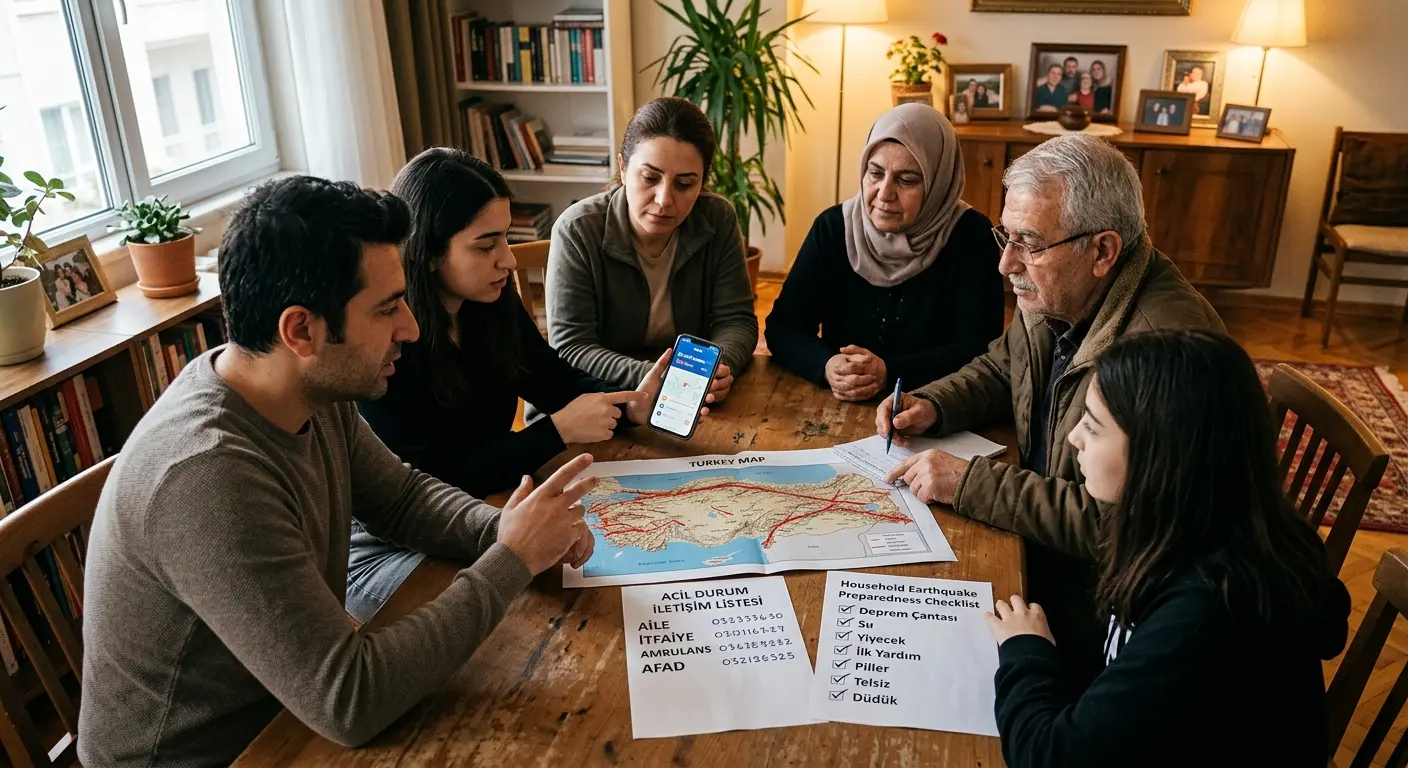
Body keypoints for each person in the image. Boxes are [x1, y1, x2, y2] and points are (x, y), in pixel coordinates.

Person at [78, 175, 599, 765]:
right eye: (387, 308)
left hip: (289, 710)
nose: (412, 327)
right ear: (300, 330)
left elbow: (401, 498)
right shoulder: (207, 477)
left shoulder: (300, 389)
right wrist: (511, 560)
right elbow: (351, 699)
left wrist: (509, 530)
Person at [875, 134, 1225, 686]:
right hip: (1042, 544)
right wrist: (934, 402)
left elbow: (1118, 526)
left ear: (1103, 251)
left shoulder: (1159, 352)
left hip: (1098, 601)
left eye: (1029, 243)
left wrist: (970, 484)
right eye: (1005, 237)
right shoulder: (1059, 288)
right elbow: (1003, 367)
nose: (1005, 264)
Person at [985, 329, 1349, 766]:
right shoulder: (1202, 519)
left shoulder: (1208, 608)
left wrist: (1027, 651)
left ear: (1158, 455)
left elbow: (1049, 756)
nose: (1074, 438)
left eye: (1094, 426)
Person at [350, 148, 669, 623]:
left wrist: (630, 407)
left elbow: (551, 377)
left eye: (506, 239)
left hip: (487, 508)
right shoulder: (389, 342)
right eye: (485, 245)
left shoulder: (490, 303)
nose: (507, 260)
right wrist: (554, 431)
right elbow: (430, 481)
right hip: (398, 543)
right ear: (430, 251)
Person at [765, 103, 1002, 401]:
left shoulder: (970, 236)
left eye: (907, 180)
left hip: (931, 406)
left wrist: (890, 372)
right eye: (875, 173)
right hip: (838, 403)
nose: (884, 193)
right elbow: (783, 326)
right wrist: (827, 365)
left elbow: (980, 350)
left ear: (938, 183)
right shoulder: (834, 227)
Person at [546, 96, 758, 397]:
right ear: (622, 167)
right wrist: (663, 378)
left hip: (686, 400)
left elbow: (736, 320)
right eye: (649, 178)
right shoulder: (577, 230)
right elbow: (572, 347)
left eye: (685, 184)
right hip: (598, 399)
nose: (664, 199)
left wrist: (718, 368)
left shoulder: (717, 219)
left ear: (701, 182)